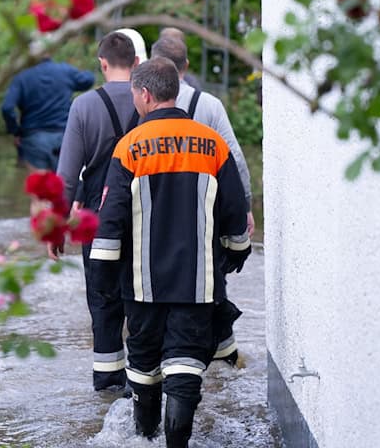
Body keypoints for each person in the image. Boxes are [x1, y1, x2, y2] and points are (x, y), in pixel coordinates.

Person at [89, 57, 251, 447]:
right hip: (198, 286)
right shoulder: (211, 144)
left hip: (142, 289)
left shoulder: (129, 147)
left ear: (144, 94)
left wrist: (103, 279)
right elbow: (235, 214)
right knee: (186, 367)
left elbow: (109, 221)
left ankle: (145, 437)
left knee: (144, 369)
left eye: (134, 94)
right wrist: (235, 253)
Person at [150, 34, 255, 366]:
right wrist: (245, 205)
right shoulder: (209, 105)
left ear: (153, 65)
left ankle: (166, 355)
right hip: (205, 210)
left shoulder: (143, 100)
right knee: (212, 279)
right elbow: (234, 158)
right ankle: (223, 357)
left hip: (157, 209)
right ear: (187, 66)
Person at [51, 31, 139, 392]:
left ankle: (106, 388)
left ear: (102, 63)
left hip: (98, 221)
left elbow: (67, 176)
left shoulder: (84, 107)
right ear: (136, 63)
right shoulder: (149, 101)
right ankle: (145, 386)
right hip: (143, 218)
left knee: (103, 303)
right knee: (142, 300)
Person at [1, 57, 94, 172]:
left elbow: (7, 108)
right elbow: (88, 80)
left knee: (40, 187)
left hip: (34, 140)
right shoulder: (65, 71)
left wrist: (15, 131)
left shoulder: (22, 77)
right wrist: (84, 71)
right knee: (65, 184)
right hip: (64, 137)